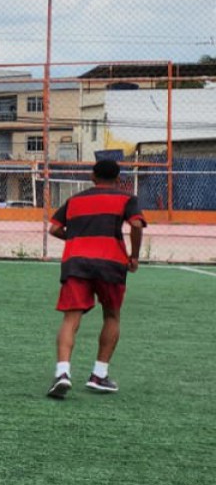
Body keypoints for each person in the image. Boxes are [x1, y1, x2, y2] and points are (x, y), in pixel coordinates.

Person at [46, 158, 145, 398]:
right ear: (119, 179)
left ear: (92, 176)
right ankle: (99, 375)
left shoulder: (75, 200)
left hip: (76, 262)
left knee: (71, 319)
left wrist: (77, 238)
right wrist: (134, 256)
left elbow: (55, 229)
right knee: (111, 315)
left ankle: (62, 373)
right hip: (111, 264)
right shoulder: (126, 199)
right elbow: (137, 224)